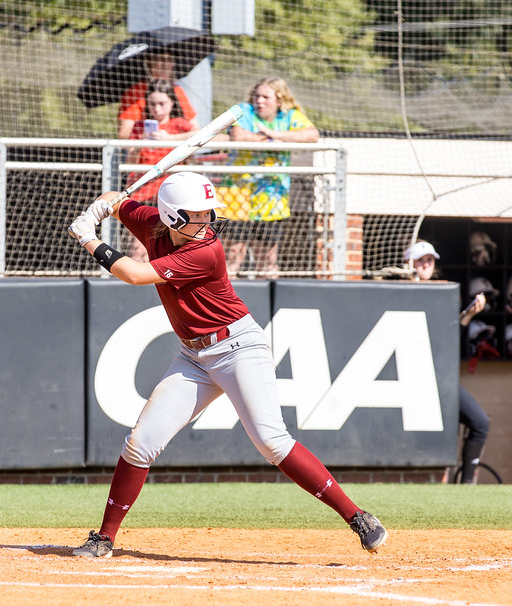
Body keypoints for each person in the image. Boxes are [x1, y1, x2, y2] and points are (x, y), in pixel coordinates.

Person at [65, 171, 387, 558]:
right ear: (169, 216)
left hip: (238, 348)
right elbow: (118, 199)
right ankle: (104, 538)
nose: (205, 224)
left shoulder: (206, 250)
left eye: (207, 214)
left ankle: (357, 517)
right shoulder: (152, 224)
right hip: (193, 356)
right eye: (194, 216)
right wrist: (104, 206)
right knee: (141, 442)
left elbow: (133, 275)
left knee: (271, 441)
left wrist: (88, 237)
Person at [406, 240, 490, 484]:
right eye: (420, 260)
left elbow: (448, 337)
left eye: (429, 260)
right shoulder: (399, 290)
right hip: (409, 378)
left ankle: (466, 484)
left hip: (439, 378)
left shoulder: (441, 294)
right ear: (408, 264)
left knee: (480, 422)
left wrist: (469, 314)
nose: (425, 265)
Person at [222, 77, 319, 277]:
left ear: (279, 100)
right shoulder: (245, 111)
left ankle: (267, 298)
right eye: (257, 96)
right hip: (238, 195)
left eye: (266, 97)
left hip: (271, 198)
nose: (260, 101)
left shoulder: (289, 116)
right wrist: (270, 138)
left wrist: (274, 133)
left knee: (266, 258)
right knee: (233, 255)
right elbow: (239, 136)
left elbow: (311, 134)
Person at [122, 79, 198, 261]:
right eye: (152, 104)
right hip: (144, 192)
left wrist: (171, 138)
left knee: (172, 244)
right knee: (140, 246)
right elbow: (130, 162)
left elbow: (211, 136)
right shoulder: (140, 127)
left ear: (172, 102)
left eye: (162, 103)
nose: (157, 109)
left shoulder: (180, 125)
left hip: (171, 193)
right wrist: (141, 143)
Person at [117, 50, 198, 140]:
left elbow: (197, 130)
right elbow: (124, 134)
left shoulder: (177, 90)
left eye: (169, 60)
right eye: (161, 59)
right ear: (149, 62)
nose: (165, 65)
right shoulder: (135, 92)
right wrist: (147, 135)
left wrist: (170, 138)